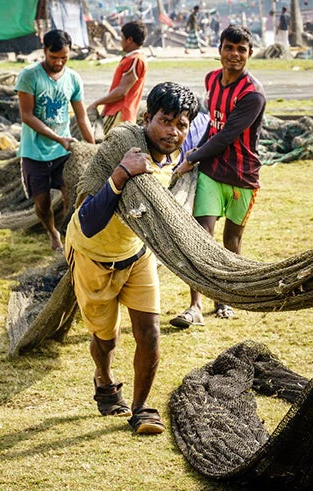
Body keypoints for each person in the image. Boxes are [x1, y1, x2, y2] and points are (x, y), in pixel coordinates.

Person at [66, 82, 200, 435]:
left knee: (150, 334)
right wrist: (121, 175)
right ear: (146, 118)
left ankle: (141, 408)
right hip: (93, 253)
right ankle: (104, 378)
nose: (173, 131)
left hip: (135, 255)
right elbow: (91, 221)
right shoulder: (123, 145)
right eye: (165, 120)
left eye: (182, 125)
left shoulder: (174, 159)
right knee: (106, 339)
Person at [171, 25, 266, 328]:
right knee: (201, 238)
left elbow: (226, 135)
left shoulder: (253, 95)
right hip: (212, 172)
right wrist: (195, 154)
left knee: (232, 241)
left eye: (241, 49)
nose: (234, 55)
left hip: (242, 176)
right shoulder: (211, 79)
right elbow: (211, 126)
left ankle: (224, 298)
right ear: (220, 50)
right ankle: (195, 306)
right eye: (229, 47)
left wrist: (190, 158)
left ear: (249, 54)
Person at [15, 29, 96, 250]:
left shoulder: (73, 79)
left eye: (64, 58)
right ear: (44, 51)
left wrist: (93, 147)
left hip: (64, 152)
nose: (59, 62)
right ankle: (52, 232)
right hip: (35, 152)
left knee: (72, 194)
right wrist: (58, 137)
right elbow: (27, 116)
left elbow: (81, 117)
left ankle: (71, 235)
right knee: (42, 203)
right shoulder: (29, 76)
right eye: (54, 57)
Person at [90, 21, 148, 135]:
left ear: (129, 40)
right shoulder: (132, 58)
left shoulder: (135, 60)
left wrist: (96, 103)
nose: (120, 41)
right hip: (119, 113)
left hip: (119, 114)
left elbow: (122, 92)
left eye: (122, 37)